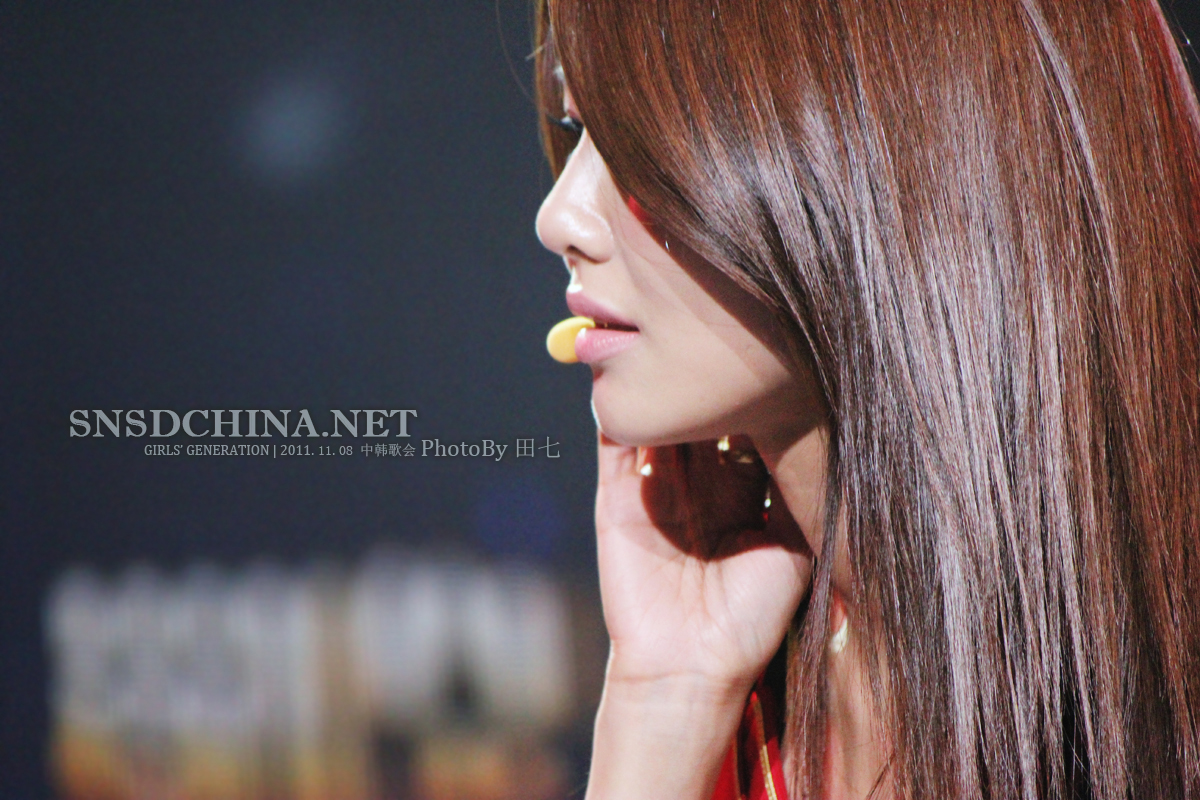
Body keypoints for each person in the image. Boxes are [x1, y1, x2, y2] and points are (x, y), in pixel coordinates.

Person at [532, 0, 1200, 798]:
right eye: (578, 131)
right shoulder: (727, 677)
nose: (558, 218)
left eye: (642, 146)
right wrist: (662, 704)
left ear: (905, 155)